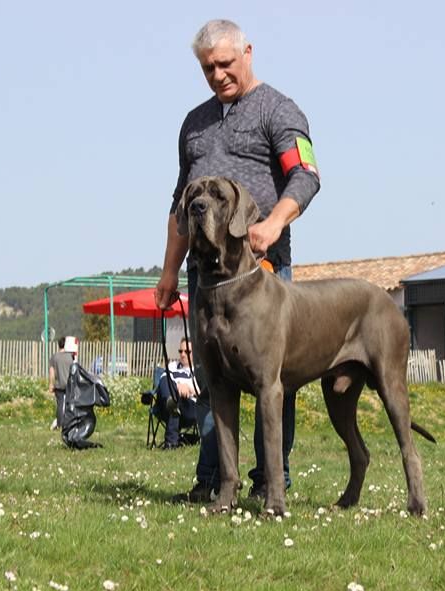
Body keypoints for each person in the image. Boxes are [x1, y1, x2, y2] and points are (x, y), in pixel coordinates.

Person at [155, 19, 321, 502]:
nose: (218, 75)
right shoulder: (194, 123)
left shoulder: (279, 110)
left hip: (261, 274)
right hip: (205, 279)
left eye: (225, 63)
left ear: (247, 53)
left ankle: (271, 482)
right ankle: (213, 482)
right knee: (212, 383)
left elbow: (306, 175)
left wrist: (273, 223)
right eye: (208, 68)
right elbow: (180, 205)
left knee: (271, 381)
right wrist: (169, 271)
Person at [155, 338, 198, 449]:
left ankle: (172, 402)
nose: (183, 355)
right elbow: (163, 381)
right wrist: (178, 385)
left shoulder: (199, 371)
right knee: (165, 378)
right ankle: (171, 442)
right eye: (180, 351)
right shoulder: (172, 366)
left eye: (187, 352)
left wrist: (190, 389)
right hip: (167, 404)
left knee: (175, 400)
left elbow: (205, 392)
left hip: (189, 407)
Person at [48, 336, 78, 431]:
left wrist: (51, 384)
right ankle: (69, 423)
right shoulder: (70, 357)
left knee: (60, 405)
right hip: (69, 384)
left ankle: (60, 424)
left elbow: (52, 372)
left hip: (59, 384)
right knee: (69, 404)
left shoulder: (54, 357)